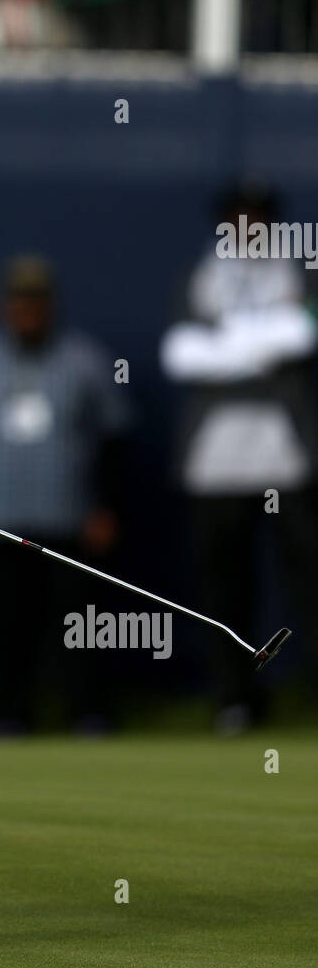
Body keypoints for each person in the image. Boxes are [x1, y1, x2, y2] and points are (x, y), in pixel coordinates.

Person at [0, 255, 130, 732]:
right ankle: (10, 716)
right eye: (20, 300)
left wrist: (107, 507)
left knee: (81, 624)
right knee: (6, 626)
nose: (28, 310)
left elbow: (115, 439)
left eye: (37, 300)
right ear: (5, 305)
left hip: (67, 519)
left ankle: (88, 715)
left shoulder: (85, 362)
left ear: (51, 304)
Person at [160, 181, 318, 732]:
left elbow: (306, 333)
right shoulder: (200, 277)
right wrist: (265, 341)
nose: (247, 228)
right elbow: (180, 355)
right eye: (237, 218)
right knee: (225, 587)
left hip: (288, 459)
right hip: (214, 463)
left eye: (257, 218)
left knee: (307, 582)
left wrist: (225, 345)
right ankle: (236, 699)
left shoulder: (301, 272)